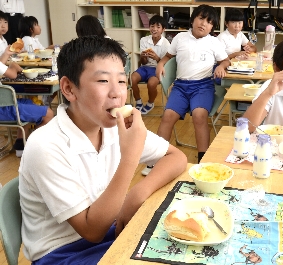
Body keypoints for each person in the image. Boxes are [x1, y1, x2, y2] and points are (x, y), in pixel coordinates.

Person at [18, 36, 187, 264]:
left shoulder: (113, 126)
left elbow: (177, 157)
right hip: (63, 253)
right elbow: (92, 231)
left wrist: (138, 193)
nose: (117, 93)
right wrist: (130, 157)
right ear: (69, 88)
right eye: (103, 81)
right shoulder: (45, 145)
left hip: (110, 231)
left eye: (121, 81)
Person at [154, 4, 229, 168]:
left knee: (199, 116)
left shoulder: (214, 42)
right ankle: (156, 158)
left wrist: (221, 66)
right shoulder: (180, 38)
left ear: (212, 27)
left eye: (209, 22)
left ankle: (202, 160)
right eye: (201, 18)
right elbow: (168, 56)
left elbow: (225, 60)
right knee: (167, 117)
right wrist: (161, 64)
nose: (203, 23)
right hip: (180, 87)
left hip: (203, 86)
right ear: (193, 19)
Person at [0, 11, 53, 158]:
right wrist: (13, 66)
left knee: (29, 101)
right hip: (2, 107)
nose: (4, 26)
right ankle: (33, 151)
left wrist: (7, 56)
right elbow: (11, 73)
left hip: (4, 102)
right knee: (48, 113)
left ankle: (20, 145)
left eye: (5, 22)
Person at [131, 15, 170, 115]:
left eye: (158, 27)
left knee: (151, 84)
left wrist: (156, 58)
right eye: (152, 26)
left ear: (163, 29)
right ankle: (138, 101)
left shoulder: (166, 44)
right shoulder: (144, 40)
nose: (154, 29)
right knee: (132, 79)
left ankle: (150, 103)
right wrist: (143, 57)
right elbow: (143, 63)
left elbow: (165, 64)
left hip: (157, 69)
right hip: (145, 67)